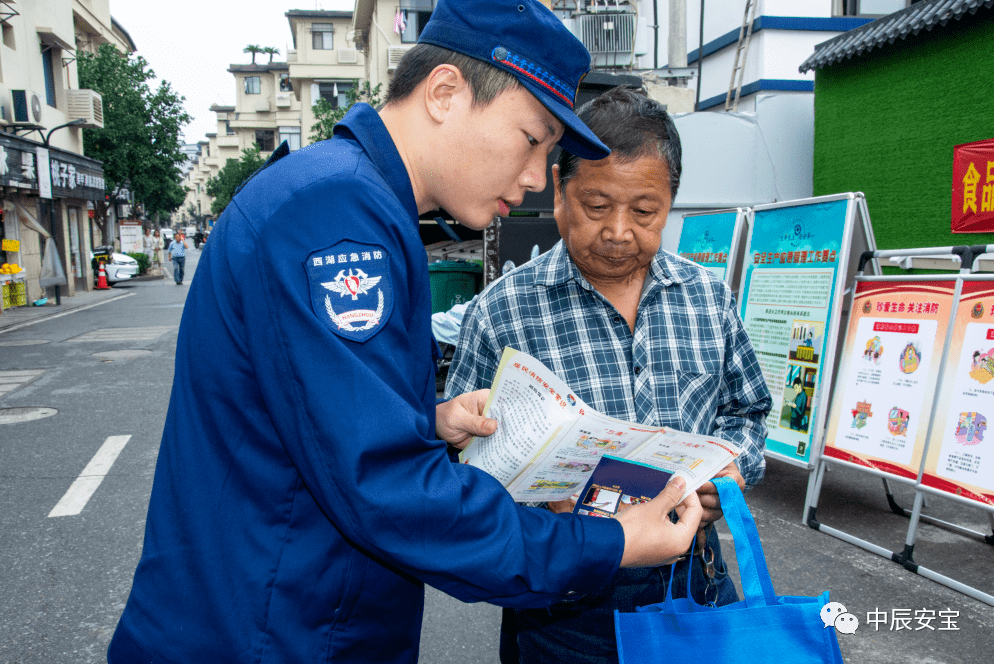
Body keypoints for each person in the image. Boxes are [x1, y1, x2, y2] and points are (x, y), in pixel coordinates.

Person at [107, 3, 702, 663]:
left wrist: (424, 419)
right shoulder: (337, 215)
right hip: (271, 633)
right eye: (532, 138)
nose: (537, 178)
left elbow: (313, 416)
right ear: (445, 93)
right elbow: (387, 489)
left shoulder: (353, 199)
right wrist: (612, 542)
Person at [445, 86, 773, 664]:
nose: (620, 231)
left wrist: (728, 473)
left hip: (691, 579)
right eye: (597, 206)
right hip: (565, 601)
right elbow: (458, 468)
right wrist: (527, 497)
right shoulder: (503, 311)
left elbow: (745, 414)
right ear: (559, 194)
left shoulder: (706, 298)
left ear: (670, 204)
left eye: (645, 211)